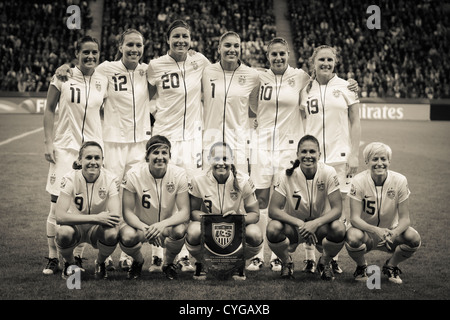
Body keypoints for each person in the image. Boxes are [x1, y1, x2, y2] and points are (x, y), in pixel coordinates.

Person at [248, 38, 359, 273]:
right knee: (265, 200)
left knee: (317, 205)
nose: (278, 57)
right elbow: (251, 100)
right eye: (273, 54)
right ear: (268, 56)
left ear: (288, 54)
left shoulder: (303, 79)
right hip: (265, 147)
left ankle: (324, 258)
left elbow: (355, 119)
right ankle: (261, 255)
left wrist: (354, 153)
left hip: (301, 151)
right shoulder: (268, 78)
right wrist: (259, 119)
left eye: (282, 53)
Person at [54, 29, 153, 271]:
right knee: (103, 197)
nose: (134, 49)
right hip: (112, 143)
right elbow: (82, 70)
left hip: (140, 143)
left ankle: (130, 254)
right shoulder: (105, 69)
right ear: (120, 46)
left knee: (136, 199)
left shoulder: (147, 70)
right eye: (129, 44)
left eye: (138, 45)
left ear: (143, 48)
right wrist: (65, 67)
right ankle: (101, 253)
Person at [146, 20, 211, 272]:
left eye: (185, 36)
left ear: (191, 40)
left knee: (189, 196)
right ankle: (155, 253)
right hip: (164, 139)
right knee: (161, 196)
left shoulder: (200, 62)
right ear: (168, 40)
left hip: (193, 140)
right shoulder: (155, 66)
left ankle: (186, 254)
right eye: (176, 37)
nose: (181, 40)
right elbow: (136, 89)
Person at [42, 36, 108, 275]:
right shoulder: (63, 76)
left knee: (85, 206)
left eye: (95, 52)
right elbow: (49, 109)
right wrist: (49, 142)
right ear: (77, 53)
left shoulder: (103, 80)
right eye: (86, 52)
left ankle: (77, 257)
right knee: (55, 205)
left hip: (92, 153)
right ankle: (52, 257)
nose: (91, 56)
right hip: (65, 149)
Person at [299, 45, 361, 274]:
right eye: (321, 59)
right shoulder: (305, 89)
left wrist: (354, 153)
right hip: (312, 159)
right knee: (311, 208)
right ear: (313, 62)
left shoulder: (347, 87)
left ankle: (330, 257)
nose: (326, 63)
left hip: (340, 158)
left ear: (335, 62)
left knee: (338, 211)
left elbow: (356, 122)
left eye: (330, 60)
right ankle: (308, 257)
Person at [267, 135, 346, 280]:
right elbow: (273, 210)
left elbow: (337, 209)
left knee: (339, 228)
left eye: (312, 152)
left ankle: (324, 262)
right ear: (297, 154)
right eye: (304, 152)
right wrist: (301, 224)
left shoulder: (328, 172)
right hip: (294, 228)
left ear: (319, 155)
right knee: (273, 228)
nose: (308, 156)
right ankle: (287, 262)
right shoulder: (285, 175)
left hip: (320, 228)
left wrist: (315, 224)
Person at [345, 142, 421, 284]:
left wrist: (395, 232)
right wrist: (376, 230)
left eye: (383, 159)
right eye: (375, 159)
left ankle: (391, 266)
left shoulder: (400, 180)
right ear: (367, 161)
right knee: (353, 237)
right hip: (365, 234)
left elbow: (405, 219)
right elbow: (354, 219)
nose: (379, 163)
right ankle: (361, 267)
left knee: (413, 238)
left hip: (390, 233)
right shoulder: (358, 180)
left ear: (389, 161)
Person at [185, 141, 263, 280]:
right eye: (216, 158)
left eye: (226, 159)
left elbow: (255, 214)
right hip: (209, 226)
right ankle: (202, 262)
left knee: (255, 234)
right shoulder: (198, 180)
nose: (221, 163)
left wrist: (238, 218)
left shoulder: (243, 180)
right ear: (209, 160)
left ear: (232, 160)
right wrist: (208, 219)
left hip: (235, 227)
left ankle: (238, 262)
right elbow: (192, 211)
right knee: (193, 231)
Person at [119, 135, 190, 280]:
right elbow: (127, 212)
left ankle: (169, 264)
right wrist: (147, 228)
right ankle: (138, 262)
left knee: (180, 229)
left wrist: (161, 225)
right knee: (126, 235)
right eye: (155, 153)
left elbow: (184, 212)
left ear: (169, 156)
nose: (160, 157)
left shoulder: (179, 174)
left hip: (165, 226)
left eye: (164, 153)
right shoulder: (133, 174)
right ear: (147, 157)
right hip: (141, 227)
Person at [55, 141, 121, 280]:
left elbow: (115, 216)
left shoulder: (111, 179)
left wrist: (99, 221)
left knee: (112, 233)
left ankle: (100, 263)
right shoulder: (70, 178)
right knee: (63, 232)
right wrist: (97, 218)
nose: (93, 162)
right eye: (88, 157)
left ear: (102, 161)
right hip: (75, 228)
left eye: (97, 158)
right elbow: (60, 217)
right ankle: (70, 263)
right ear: (79, 160)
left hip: (96, 230)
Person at [202, 31, 260, 174]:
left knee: (239, 189)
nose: (232, 50)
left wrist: (261, 120)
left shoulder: (252, 75)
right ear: (219, 48)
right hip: (211, 141)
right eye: (227, 45)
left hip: (238, 144)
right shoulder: (207, 71)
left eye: (236, 46)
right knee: (208, 190)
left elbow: (257, 106)